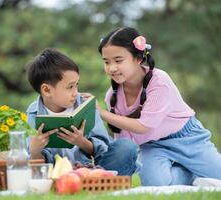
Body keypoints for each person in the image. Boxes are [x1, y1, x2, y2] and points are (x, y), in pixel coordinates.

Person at [87, 27, 221, 186]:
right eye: (106, 62)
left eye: (118, 60)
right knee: (154, 185)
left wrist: (101, 112)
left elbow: (144, 126)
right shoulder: (113, 95)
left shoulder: (159, 81)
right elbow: (124, 140)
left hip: (186, 138)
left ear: (137, 59)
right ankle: (187, 174)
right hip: (152, 146)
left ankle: (192, 167)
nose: (112, 68)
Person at [25, 48, 137, 175]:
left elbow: (103, 150)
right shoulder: (34, 114)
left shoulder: (85, 104)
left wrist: (81, 142)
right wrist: (35, 151)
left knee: (126, 147)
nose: (75, 92)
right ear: (46, 90)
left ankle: (101, 182)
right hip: (57, 173)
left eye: (76, 85)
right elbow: (36, 166)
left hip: (91, 170)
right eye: (70, 87)